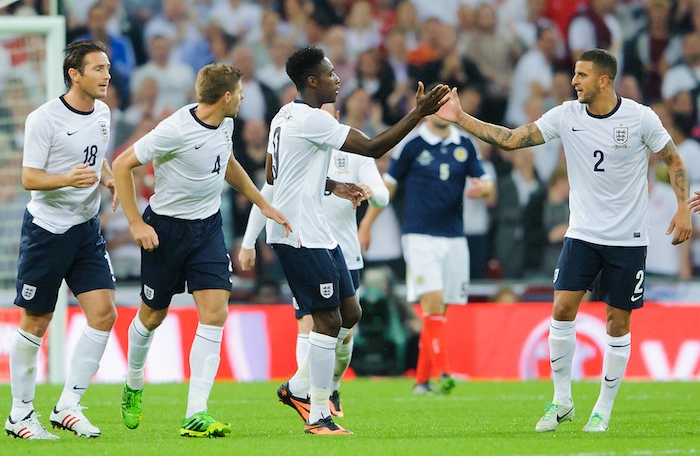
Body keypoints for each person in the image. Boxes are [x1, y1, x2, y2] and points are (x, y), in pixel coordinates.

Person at [434, 48, 691, 432]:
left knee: (617, 323)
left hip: (628, 239)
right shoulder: (566, 115)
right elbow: (510, 139)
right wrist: (459, 118)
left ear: (604, 80)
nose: (574, 81)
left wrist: (683, 208)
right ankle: (562, 400)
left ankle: (602, 408)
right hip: (583, 234)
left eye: (582, 75)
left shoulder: (640, 118)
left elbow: (674, 160)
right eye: (574, 74)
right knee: (561, 309)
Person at [266, 46, 448, 435]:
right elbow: (372, 147)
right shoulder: (313, 120)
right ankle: (317, 412)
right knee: (328, 318)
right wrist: (419, 113)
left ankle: (296, 388)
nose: (338, 79)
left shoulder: (284, 115)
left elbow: (272, 172)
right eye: (331, 74)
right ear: (312, 81)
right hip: (297, 233)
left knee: (351, 313)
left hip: (317, 230)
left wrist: (329, 184)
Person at [112, 63, 291, 438]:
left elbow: (225, 163)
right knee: (152, 316)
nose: (243, 97)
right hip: (165, 231)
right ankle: (133, 380)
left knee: (215, 312)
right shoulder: (173, 130)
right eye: (240, 92)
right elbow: (121, 164)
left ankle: (196, 412)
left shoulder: (225, 124)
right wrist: (135, 223)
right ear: (226, 96)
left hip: (207, 230)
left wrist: (261, 202)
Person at [6, 39, 119, 440]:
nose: (107, 75)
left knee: (104, 313)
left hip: (86, 230)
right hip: (47, 232)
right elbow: (30, 177)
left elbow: (96, 155)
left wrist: (107, 178)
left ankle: (68, 406)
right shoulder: (44, 119)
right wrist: (66, 179)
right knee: (37, 320)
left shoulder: (103, 112)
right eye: (98, 69)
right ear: (75, 74)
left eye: (107, 68)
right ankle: (19, 416)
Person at [238, 142, 389, 418]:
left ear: (337, 118)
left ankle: (331, 387)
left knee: (344, 332)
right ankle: (308, 395)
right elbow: (267, 195)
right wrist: (248, 242)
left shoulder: (354, 154)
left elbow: (383, 196)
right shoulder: (300, 149)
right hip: (306, 247)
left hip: (345, 252)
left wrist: (370, 192)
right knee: (309, 322)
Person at [358, 112, 492, 395]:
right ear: (430, 111)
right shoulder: (413, 145)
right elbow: (388, 188)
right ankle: (443, 373)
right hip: (419, 236)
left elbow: (485, 181)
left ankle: (422, 381)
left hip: (455, 237)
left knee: (439, 313)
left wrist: (484, 189)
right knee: (432, 303)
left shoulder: (464, 144)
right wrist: (366, 225)